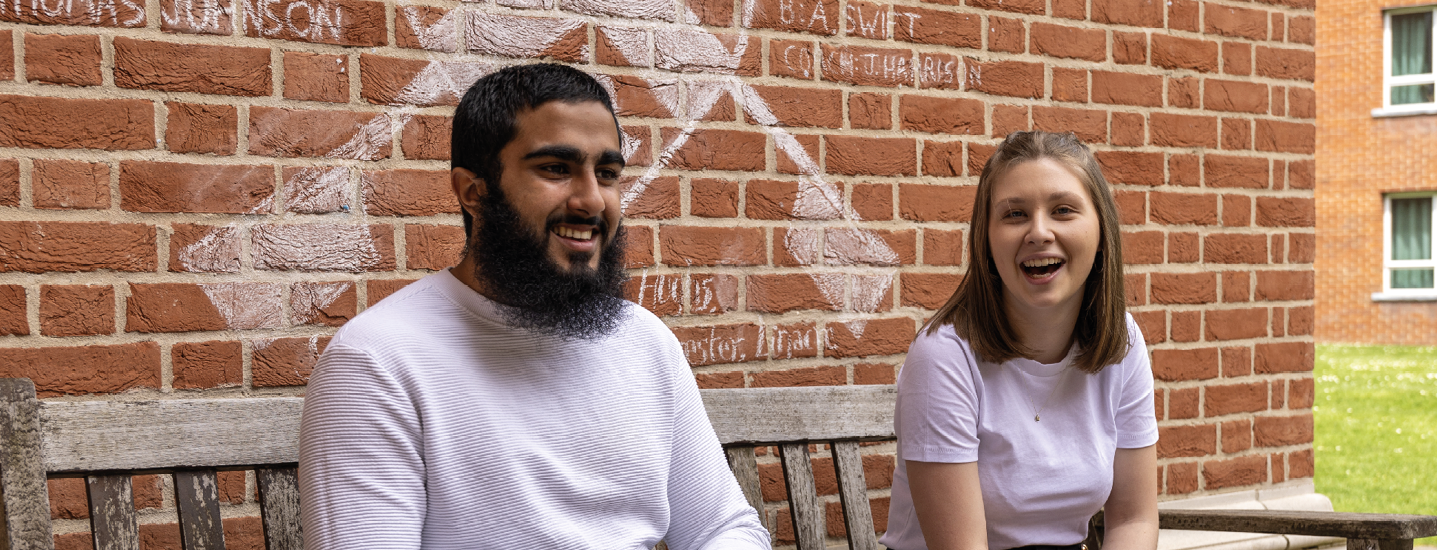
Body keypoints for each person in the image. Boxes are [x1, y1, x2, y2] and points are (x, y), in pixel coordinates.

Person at [297, 63, 770, 550]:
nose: (592, 200)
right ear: (474, 192)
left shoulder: (644, 342)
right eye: (556, 169)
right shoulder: (377, 361)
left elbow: (722, 528)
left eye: (607, 174)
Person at [880, 131, 1159, 550]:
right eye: (1015, 215)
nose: (1039, 232)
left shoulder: (1123, 343)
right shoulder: (944, 357)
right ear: (987, 239)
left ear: (1101, 231)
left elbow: (1134, 520)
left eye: (1063, 210)